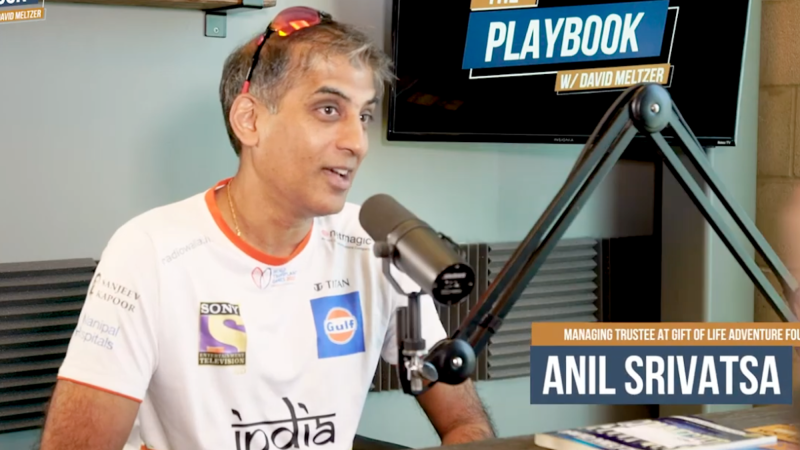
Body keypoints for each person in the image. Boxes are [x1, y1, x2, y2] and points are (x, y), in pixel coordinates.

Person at [39, 6, 496, 450]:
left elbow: (467, 423)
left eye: (363, 116)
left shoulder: (376, 243)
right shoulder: (148, 251)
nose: (357, 143)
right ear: (250, 119)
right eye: (328, 110)